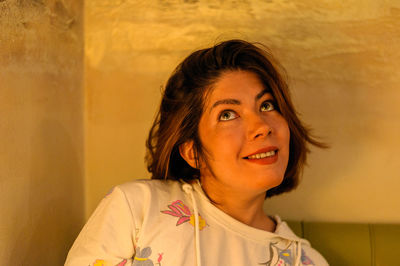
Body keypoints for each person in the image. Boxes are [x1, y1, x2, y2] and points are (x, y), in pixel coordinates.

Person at [65, 39, 328, 266]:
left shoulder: (303, 259)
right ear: (192, 152)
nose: (261, 126)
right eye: (228, 114)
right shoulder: (136, 210)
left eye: (267, 105)